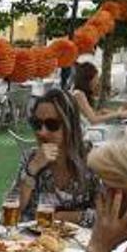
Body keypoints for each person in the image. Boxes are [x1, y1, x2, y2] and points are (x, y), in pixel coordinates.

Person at [15, 89, 99, 227]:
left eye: (52, 125)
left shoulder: (93, 160)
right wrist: (32, 169)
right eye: (37, 124)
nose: (41, 132)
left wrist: (64, 217)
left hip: (80, 245)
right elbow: (12, 212)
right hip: (32, 243)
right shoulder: (31, 158)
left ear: (70, 125)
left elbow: (107, 216)